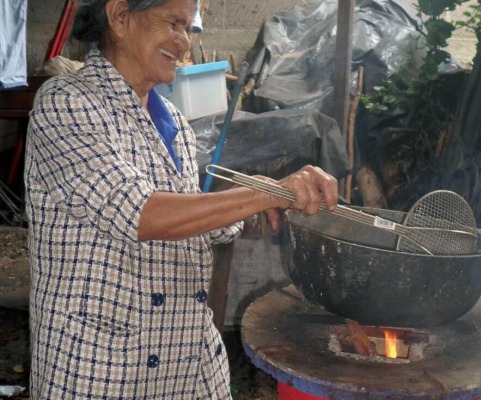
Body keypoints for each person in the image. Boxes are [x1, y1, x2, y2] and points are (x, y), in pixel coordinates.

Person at [24, 0, 339, 398]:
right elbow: (142, 214)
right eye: (174, 23)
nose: (184, 43)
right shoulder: (67, 104)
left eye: (189, 29)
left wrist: (257, 198)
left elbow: (187, 218)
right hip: (103, 365)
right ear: (120, 15)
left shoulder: (172, 121)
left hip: (185, 358)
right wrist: (259, 194)